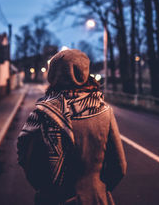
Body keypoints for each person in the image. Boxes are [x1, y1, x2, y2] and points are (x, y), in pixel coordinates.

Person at [17, 49, 127, 205]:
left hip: (53, 198)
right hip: (96, 197)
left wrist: (45, 187)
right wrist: (97, 188)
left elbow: (27, 158)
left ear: (53, 74)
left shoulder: (42, 113)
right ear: (84, 72)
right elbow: (119, 167)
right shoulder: (104, 111)